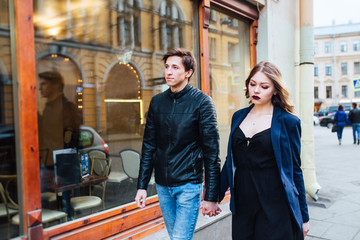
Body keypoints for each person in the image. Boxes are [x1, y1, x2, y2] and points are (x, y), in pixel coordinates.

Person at [135, 48, 221, 240]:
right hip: (163, 186)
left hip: (188, 185)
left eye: (175, 67)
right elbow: (149, 146)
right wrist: (142, 186)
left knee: (180, 238)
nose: (169, 72)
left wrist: (211, 195)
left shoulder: (202, 102)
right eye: (166, 67)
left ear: (188, 72)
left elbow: (212, 153)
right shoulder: (157, 102)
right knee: (176, 237)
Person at [219, 61, 309, 239]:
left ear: (275, 89)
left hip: (275, 203)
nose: (256, 90)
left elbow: (295, 170)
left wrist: (303, 217)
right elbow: (231, 161)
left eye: (264, 86)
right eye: (252, 84)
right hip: (243, 203)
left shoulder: (289, 122)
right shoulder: (238, 116)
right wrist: (215, 196)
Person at [38, 71, 82, 218]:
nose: (40, 88)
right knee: (47, 202)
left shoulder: (67, 107)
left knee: (66, 204)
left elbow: (72, 141)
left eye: (44, 84)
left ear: (56, 86)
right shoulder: (48, 107)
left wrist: (62, 172)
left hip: (60, 166)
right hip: (47, 164)